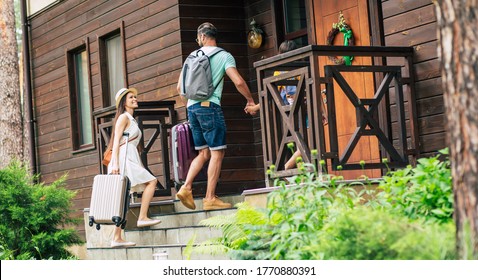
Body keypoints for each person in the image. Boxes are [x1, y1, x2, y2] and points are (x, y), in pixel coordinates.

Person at [176, 22, 256, 211]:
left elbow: (180, 89)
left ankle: (186, 187)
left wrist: (189, 106)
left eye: (198, 38)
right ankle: (210, 197)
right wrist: (250, 100)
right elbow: (238, 81)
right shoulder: (224, 56)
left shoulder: (191, 56)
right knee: (217, 152)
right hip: (209, 107)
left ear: (202, 37)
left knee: (203, 153)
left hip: (192, 108)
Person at [245, 40, 327, 170]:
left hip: (294, 114)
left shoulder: (281, 72)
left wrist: (255, 107)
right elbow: (314, 91)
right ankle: (289, 167)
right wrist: (323, 111)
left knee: (308, 143)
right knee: (309, 142)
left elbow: (270, 97)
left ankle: (292, 168)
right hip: (303, 111)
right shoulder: (302, 69)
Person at [107, 87, 162, 248]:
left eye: (135, 97)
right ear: (124, 102)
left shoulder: (131, 119)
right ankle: (142, 217)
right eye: (131, 97)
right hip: (123, 159)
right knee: (152, 182)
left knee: (124, 199)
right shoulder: (123, 118)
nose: (135, 99)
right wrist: (115, 162)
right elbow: (116, 141)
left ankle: (116, 237)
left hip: (129, 158)